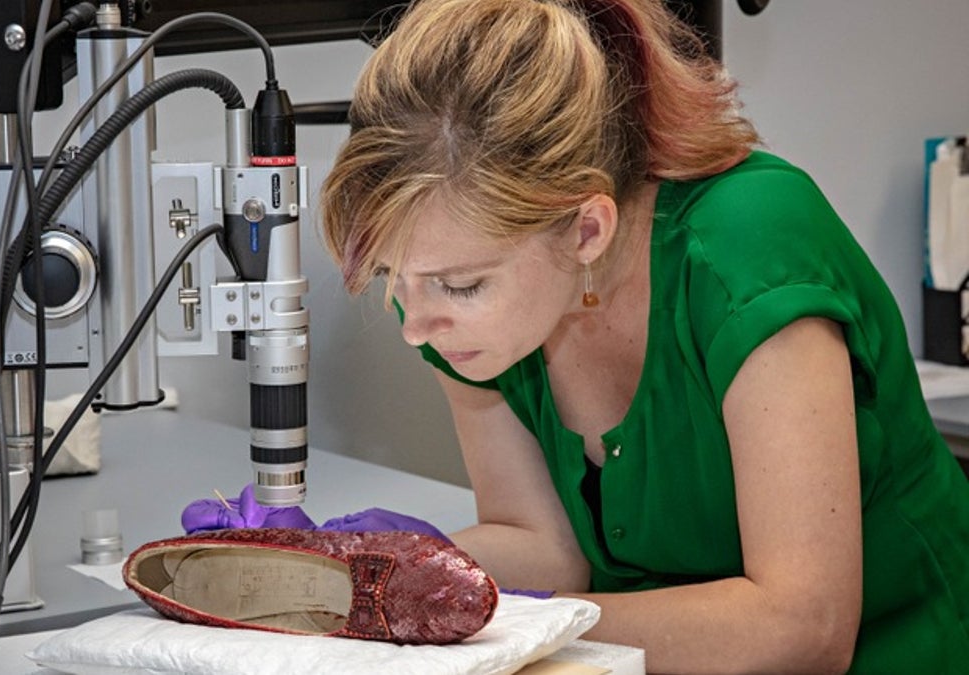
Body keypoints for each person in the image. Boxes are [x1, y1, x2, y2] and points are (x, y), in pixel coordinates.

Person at [315, 0, 969, 672]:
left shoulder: (748, 248)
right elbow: (545, 545)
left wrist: (507, 620)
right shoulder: (451, 304)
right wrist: (372, 574)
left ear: (587, 230)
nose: (415, 325)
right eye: (394, 275)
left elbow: (802, 627)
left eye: (462, 285)